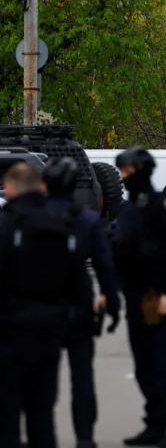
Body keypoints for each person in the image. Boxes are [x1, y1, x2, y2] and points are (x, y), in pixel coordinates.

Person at [111, 149, 166, 447]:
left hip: (156, 296)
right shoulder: (129, 207)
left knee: (164, 362)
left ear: (142, 171)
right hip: (135, 296)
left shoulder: (163, 205)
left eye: (127, 171)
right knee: (144, 364)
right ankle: (155, 424)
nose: (122, 177)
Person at [0, 162, 87, 448]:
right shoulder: (60, 224)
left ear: (9, 189)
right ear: (40, 187)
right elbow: (77, 279)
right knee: (42, 412)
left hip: (9, 331)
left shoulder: (5, 223)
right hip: (49, 328)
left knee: (7, 414)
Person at [43, 158, 121, 448]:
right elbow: (105, 267)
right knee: (82, 378)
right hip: (78, 307)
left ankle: (43, 434)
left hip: (40, 310)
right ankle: (85, 437)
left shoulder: (26, 217)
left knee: (42, 379)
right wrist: (113, 305)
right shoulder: (86, 221)